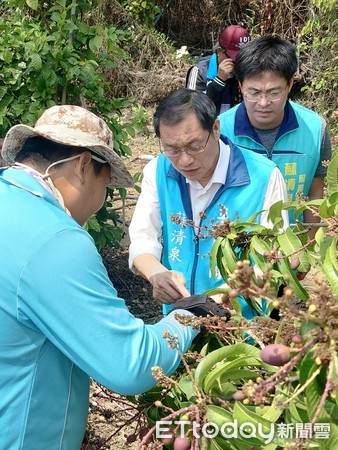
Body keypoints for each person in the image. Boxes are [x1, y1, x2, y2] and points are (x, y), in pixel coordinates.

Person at [0, 105, 229, 449]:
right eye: (106, 185)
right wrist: (190, 314)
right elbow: (130, 364)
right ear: (82, 166)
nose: (101, 201)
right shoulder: (56, 241)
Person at [129, 88, 289, 318]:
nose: (184, 160)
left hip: (243, 329)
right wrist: (156, 274)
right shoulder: (157, 171)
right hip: (178, 322)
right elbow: (143, 237)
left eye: (195, 146)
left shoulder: (264, 177)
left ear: (215, 128)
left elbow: (275, 259)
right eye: (172, 149)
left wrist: (222, 297)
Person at [218, 36, 332, 229]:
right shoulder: (219, 131)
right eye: (253, 92)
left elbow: (314, 194)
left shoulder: (315, 130)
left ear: (289, 85)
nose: (263, 103)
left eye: (274, 93)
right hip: (239, 251)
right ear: (240, 86)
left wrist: (308, 249)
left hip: (293, 250)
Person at [186, 25, 250, 115]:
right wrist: (218, 82)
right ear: (219, 52)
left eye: (243, 58)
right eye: (235, 59)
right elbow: (192, 112)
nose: (239, 63)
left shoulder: (247, 69)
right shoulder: (200, 71)